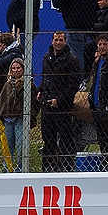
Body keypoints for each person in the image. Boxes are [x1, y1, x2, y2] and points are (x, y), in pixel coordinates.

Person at [37, 29, 82, 168]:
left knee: (65, 138)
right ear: (52, 41)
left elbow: (73, 85)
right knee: (48, 138)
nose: (58, 42)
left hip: (63, 107)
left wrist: (60, 100)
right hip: (47, 104)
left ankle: (66, 166)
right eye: (55, 40)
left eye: (60, 40)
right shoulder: (47, 57)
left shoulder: (72, 59)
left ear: (65, 41)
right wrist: (41, 91)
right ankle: (48, 167)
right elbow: (45, 77)